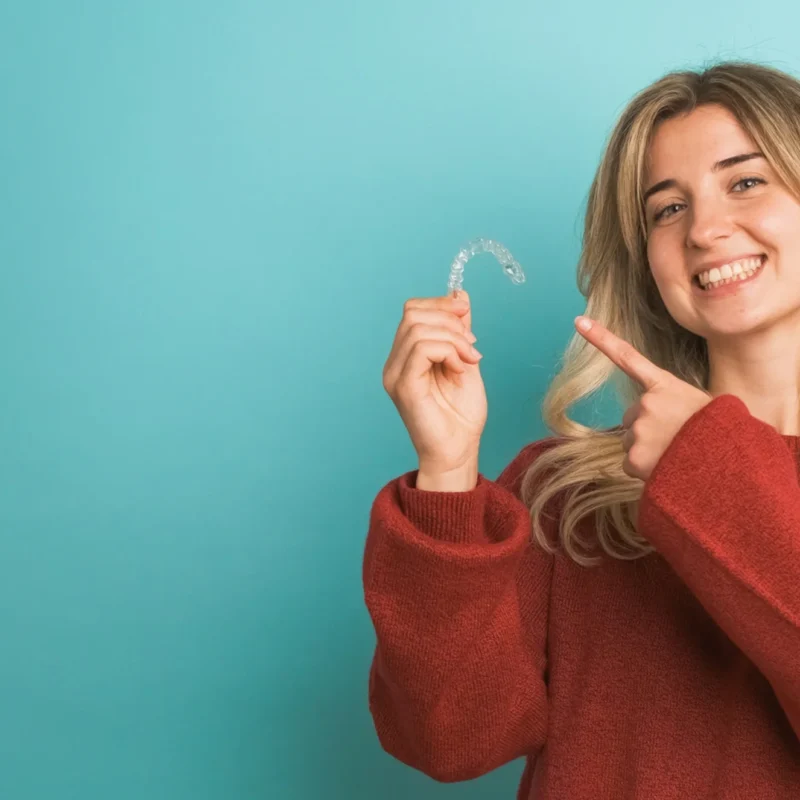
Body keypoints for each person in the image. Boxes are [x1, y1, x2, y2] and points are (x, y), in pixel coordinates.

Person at [363, 60, 800, 799]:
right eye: (668, 208)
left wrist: (707, 464)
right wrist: (447, 475)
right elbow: (451, 741)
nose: (705, 230)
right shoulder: (565, 497)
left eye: (746, 181)